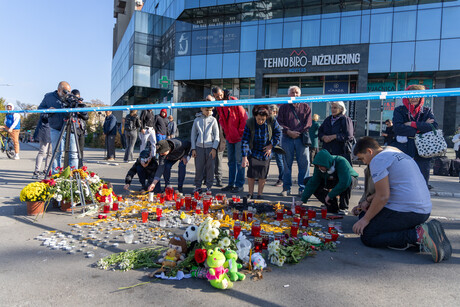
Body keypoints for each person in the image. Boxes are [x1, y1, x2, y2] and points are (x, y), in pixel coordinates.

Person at [352, 137, 451, 263]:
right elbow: (390, 189)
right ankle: (417, 232)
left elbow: (383, 196)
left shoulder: (378, 160)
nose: (364, 162)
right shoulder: (395, 153)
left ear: (370, 151)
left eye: (362, 158)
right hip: (422, 211)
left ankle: (418, 235)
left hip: (408, 211)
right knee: (363, 215)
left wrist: (366, 220)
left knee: (367, 235)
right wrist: (367, 202)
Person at [392, 84, 437, 188]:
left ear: (421, 98)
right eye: (411, 96)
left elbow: (434, 126)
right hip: (404, 148)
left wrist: (412, 124)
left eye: (417, 96)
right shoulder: (400, 110)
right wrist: (422, 126)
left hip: (423, 149)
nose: (413, 99)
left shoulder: (427, 110)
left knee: (422, 178)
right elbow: (398, 128)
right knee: (402, 178)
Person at [277, 85, 312, 196]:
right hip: (287, 138)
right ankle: (286, 188)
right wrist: (289, 132)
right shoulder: (283, 107)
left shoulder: (306, 107)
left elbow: (308, 123)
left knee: (304, 164)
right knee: (287, 164)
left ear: (300, 94)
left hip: (301, 138)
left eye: (297, 92)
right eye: (292, 92)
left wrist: (297, 132)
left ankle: (302, 188)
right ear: (288, 95)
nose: (295, 94)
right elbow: (279, 123)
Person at [241, 105, 282, 199]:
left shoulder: (272, 120)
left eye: (263, 119)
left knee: (263, 174)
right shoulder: (250, 122)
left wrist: (271, 145)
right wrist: (244, 157)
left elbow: (278, 134)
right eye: (258, 119)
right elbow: (245, 140)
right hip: (253, 150)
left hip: (266, 151)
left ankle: (260, 194)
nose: (260, 121)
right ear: (255, 116)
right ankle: (250, 194)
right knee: (251, 173)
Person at [301, 149, 358, 214]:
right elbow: (313, 182)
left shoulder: (341, 161)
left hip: (349, 179)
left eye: (321, 166)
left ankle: (343, 207)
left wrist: (330, 195)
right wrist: (303, 200)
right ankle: (331, 204)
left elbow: (344, 182)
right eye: (317, 166)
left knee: (347, 182)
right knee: (307, 181)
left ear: (327, 163)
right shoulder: (318, 167)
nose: (319, 168)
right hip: (330, 180)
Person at [38, 81, 78, 172]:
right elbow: (40, 110)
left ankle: (73, 174)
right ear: (59, 90)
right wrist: (48, 111)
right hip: (55, 128)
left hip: (70, 128)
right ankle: (56, 175)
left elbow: (80, 111)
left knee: (73, 154)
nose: (67, 93)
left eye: (69, 91)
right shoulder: (49, 97)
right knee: (56, 153)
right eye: (65, 91)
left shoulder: (71, 97)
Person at [214, 87, 248, 193]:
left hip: (238, 137)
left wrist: (240, 132)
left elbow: (244, 117)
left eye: (220, 95)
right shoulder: (219, 105)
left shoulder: (233, 101)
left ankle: (239, 184)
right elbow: (221, 119)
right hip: (229, 137)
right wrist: (226, 132)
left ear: (223, 93)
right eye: (216, 97)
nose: (219, 98)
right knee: (231, 162)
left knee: (239, 162)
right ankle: (231, 183)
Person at [191, 106, 219, 193]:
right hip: (199, 147)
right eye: (207, 110)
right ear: (202, 109)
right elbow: (193, 135)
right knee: (199, 168)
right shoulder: (197, 120)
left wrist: (214, 148)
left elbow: (217, 135)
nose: (209, 112)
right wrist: (193, 148)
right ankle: (198, 186)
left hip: (210, 147)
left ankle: (209, 187)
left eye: (210, 110)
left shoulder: (213, 120)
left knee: (210, 168)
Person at [318, 101, 354, 165]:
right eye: (332, 108)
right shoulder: (328, 120)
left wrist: (334, 136)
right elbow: (320, 131)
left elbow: (349, 136)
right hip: (328, 151)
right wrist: (323, 137)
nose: (332, 110)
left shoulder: (345, 120)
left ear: (341, 109)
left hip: (341, 152)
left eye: (335, 108)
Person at [208, 95, 226, 187]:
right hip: (207, 140)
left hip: (218, 139)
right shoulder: (204, 112)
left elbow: (222, 128)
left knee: (218, 161)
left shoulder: (219, 112)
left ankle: (219, 179)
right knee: (207, 160)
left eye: (211, 101)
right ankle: (206, 179)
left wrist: (223, 141)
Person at [71, 89, 89, 168]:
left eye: (78, 98)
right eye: (75, 98)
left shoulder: (82, 106)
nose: (77, 100)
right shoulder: (70, 105)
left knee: (81, 150)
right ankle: (72, 167)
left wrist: (80, 112)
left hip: (81, 129)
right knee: (73, 150)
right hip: (72, 129)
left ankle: (80, 166)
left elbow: (86, 117)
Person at [32, 114, 52, 179]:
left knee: (50, 153)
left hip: (53, 131)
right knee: (42, 152)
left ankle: (46, 170)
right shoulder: (45, 105)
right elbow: (43, 116)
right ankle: (36, 171)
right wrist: (53, 112)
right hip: (44, 132)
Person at [269, 104, 284, 187]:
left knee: (280, 161)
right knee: (267, 159)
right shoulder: (268, 120)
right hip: (270, 143)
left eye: (270, 111)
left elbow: (279, 133)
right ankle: (262, 176)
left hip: (278, 144)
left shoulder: (278, 120)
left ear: (275, 112)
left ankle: (281, 179)